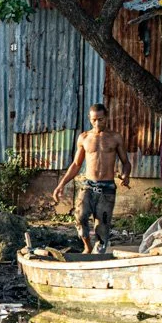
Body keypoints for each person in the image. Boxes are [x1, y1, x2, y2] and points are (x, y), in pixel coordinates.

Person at [52, 103, 130, 254]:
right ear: (89, 118)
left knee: (102, 226)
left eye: (100, 119)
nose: (97, 123)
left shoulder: (115, 138)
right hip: (88, 185)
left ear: (106, 118)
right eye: (94, 120)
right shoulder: (84, 138)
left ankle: (98, 254)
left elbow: (126, 163)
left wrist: (126, 175)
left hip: (107, 188)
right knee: (80, 217)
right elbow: (75, 164)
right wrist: (60, 184)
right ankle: (87, 247)